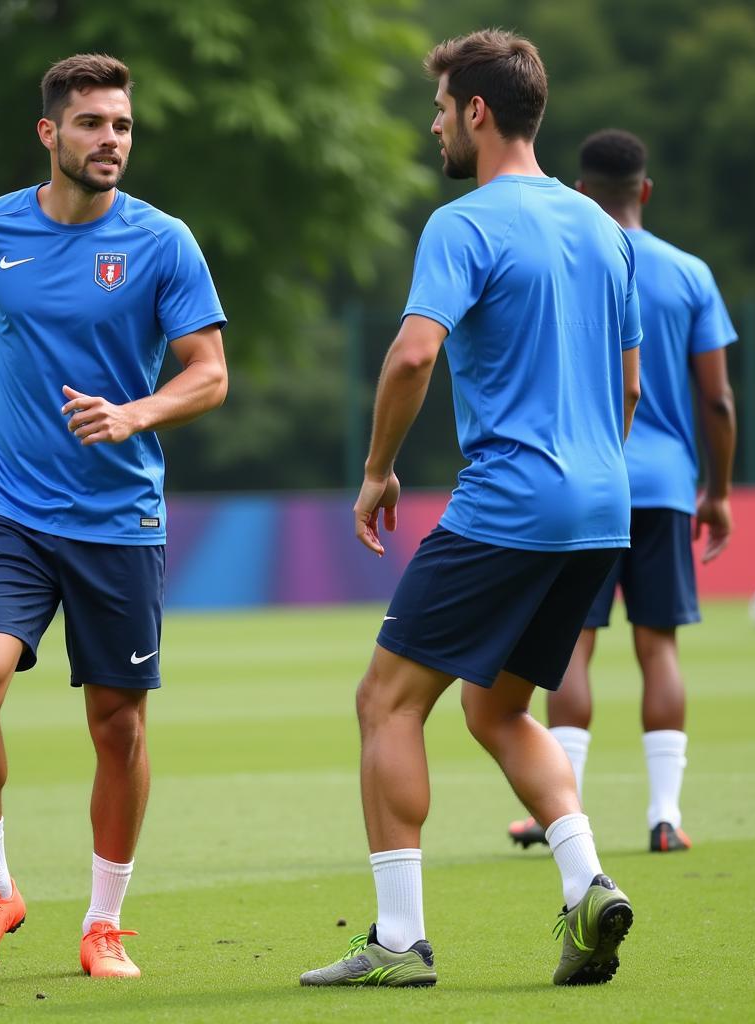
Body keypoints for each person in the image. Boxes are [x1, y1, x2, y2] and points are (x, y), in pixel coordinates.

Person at [300, 30, 642, 990]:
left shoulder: (466, 221)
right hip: (600, 508)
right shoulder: (605, 232)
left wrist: (377, 470)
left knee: (386, 701)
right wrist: (590, 471)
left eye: (441, 107)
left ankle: (398, 941)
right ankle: (587, 886)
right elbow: (628, 383)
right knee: (499, 709)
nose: (435, 123)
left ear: (476, 112)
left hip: (512, 501)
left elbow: (412, 354)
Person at [0, 53, 227, 983]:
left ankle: (103, 922)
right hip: (10, 506)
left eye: (122, 126)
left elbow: (208, 372)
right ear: (50, 134)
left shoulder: (164, 241)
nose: (111, 141)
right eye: (92, 124)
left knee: (117, 728)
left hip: (121, 518)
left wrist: (134, 413)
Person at [508, 129, 737, 855]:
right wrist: (719, 491)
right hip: (667, 485)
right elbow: (719, 402)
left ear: (580, 192)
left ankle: (557, 812)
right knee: (657, 648)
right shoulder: (691, 274)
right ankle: (664, 816)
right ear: (645, 191)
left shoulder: (572, 262)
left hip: (586, 481)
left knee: (573, 646)